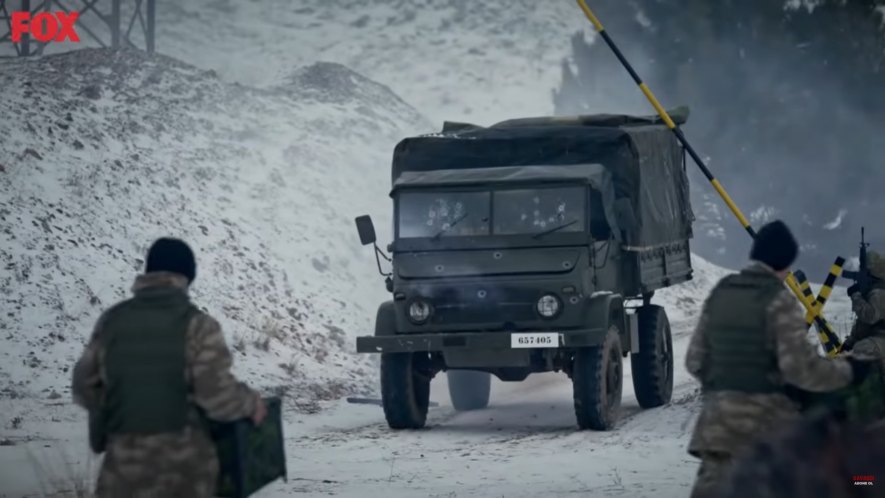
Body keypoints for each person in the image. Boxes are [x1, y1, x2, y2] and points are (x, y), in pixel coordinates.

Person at [684, 220, 873, 498]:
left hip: (717, 434)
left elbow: (694, 361)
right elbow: (801, 370)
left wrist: (728, 385)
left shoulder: (720, 293)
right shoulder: (778, 300)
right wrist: (849, 371)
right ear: (783, 264)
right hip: (765, 439)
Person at [72, 237, 266, 498]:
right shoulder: (198, 325)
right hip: (185, 473)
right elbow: (217, 398)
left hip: (122, 472)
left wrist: (116, 416)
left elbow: (83, 385)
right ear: (188, 276)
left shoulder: (111, 322)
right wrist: (252, 403)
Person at [841, 250, 885, 359]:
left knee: (862, 349)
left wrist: (856, 296)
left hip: (880, 339)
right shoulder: (872, 291)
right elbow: (862, 325)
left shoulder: (879, 292)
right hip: (873, 338)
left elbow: (870, 317)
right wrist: (849, 342)